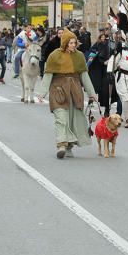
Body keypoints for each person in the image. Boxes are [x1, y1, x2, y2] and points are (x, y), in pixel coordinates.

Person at [35, 30, 97, 159]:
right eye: (71, 43)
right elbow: (48, 75)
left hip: (74, 90)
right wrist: (41, 93)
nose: (73, 45)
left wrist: (92, 93)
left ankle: (69, 147)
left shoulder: (79, 56)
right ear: (64, 43)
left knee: (73, 119)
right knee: (61, 118)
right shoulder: (54, 56)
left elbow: (84, 76)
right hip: (58, 89)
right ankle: (61, 145)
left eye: (74, 43)